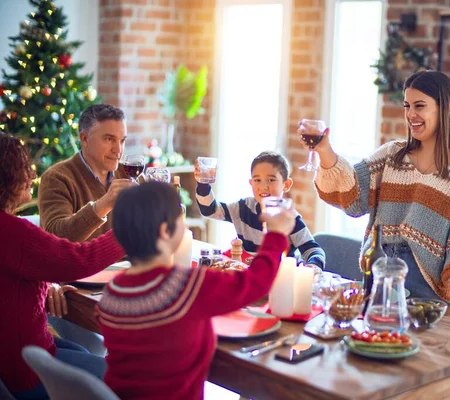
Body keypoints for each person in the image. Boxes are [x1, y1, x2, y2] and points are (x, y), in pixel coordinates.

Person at [301, 70, 450, 316]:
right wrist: (324, 150)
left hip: (427, 287)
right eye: (407, 106)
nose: (411, 114)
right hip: (379, 273)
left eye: (420, 106)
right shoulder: (393, 155)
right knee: (372, 342)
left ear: (443, 108)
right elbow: (353, 196)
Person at [97, 181, 295, 399]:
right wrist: (276, 235)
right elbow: (255, 282)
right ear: (165, 231)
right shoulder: (184, 286)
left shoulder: (112, 293)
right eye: (179, 214)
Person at [0, 133, 125, 399]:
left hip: (15, 356)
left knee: (84, 353)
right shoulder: (11, 231)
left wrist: (45, 285)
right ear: (8, 174)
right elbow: (78, 260)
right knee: (126, 380)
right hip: (22, 371)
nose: (31, 174)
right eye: (23, 166)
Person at [195, 150, 325, 272]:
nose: (263, 187)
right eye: (257, 180)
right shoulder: (242, 208)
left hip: (278, 280)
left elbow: (313, 250)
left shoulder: (290, 218)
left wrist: (312, 267)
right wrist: (203, 184)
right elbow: (210, 210)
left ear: (286, 185)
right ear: (251, 183)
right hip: (249, 278)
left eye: (271, 180)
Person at [38, 103, 136, 242]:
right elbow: (56, 238)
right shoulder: (56, 178)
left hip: (129, 263)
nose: (118, 150)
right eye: (109, 139)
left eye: (122, 141)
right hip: (76, 264)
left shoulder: (127, 173)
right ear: (84, 139)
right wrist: (104, 204)